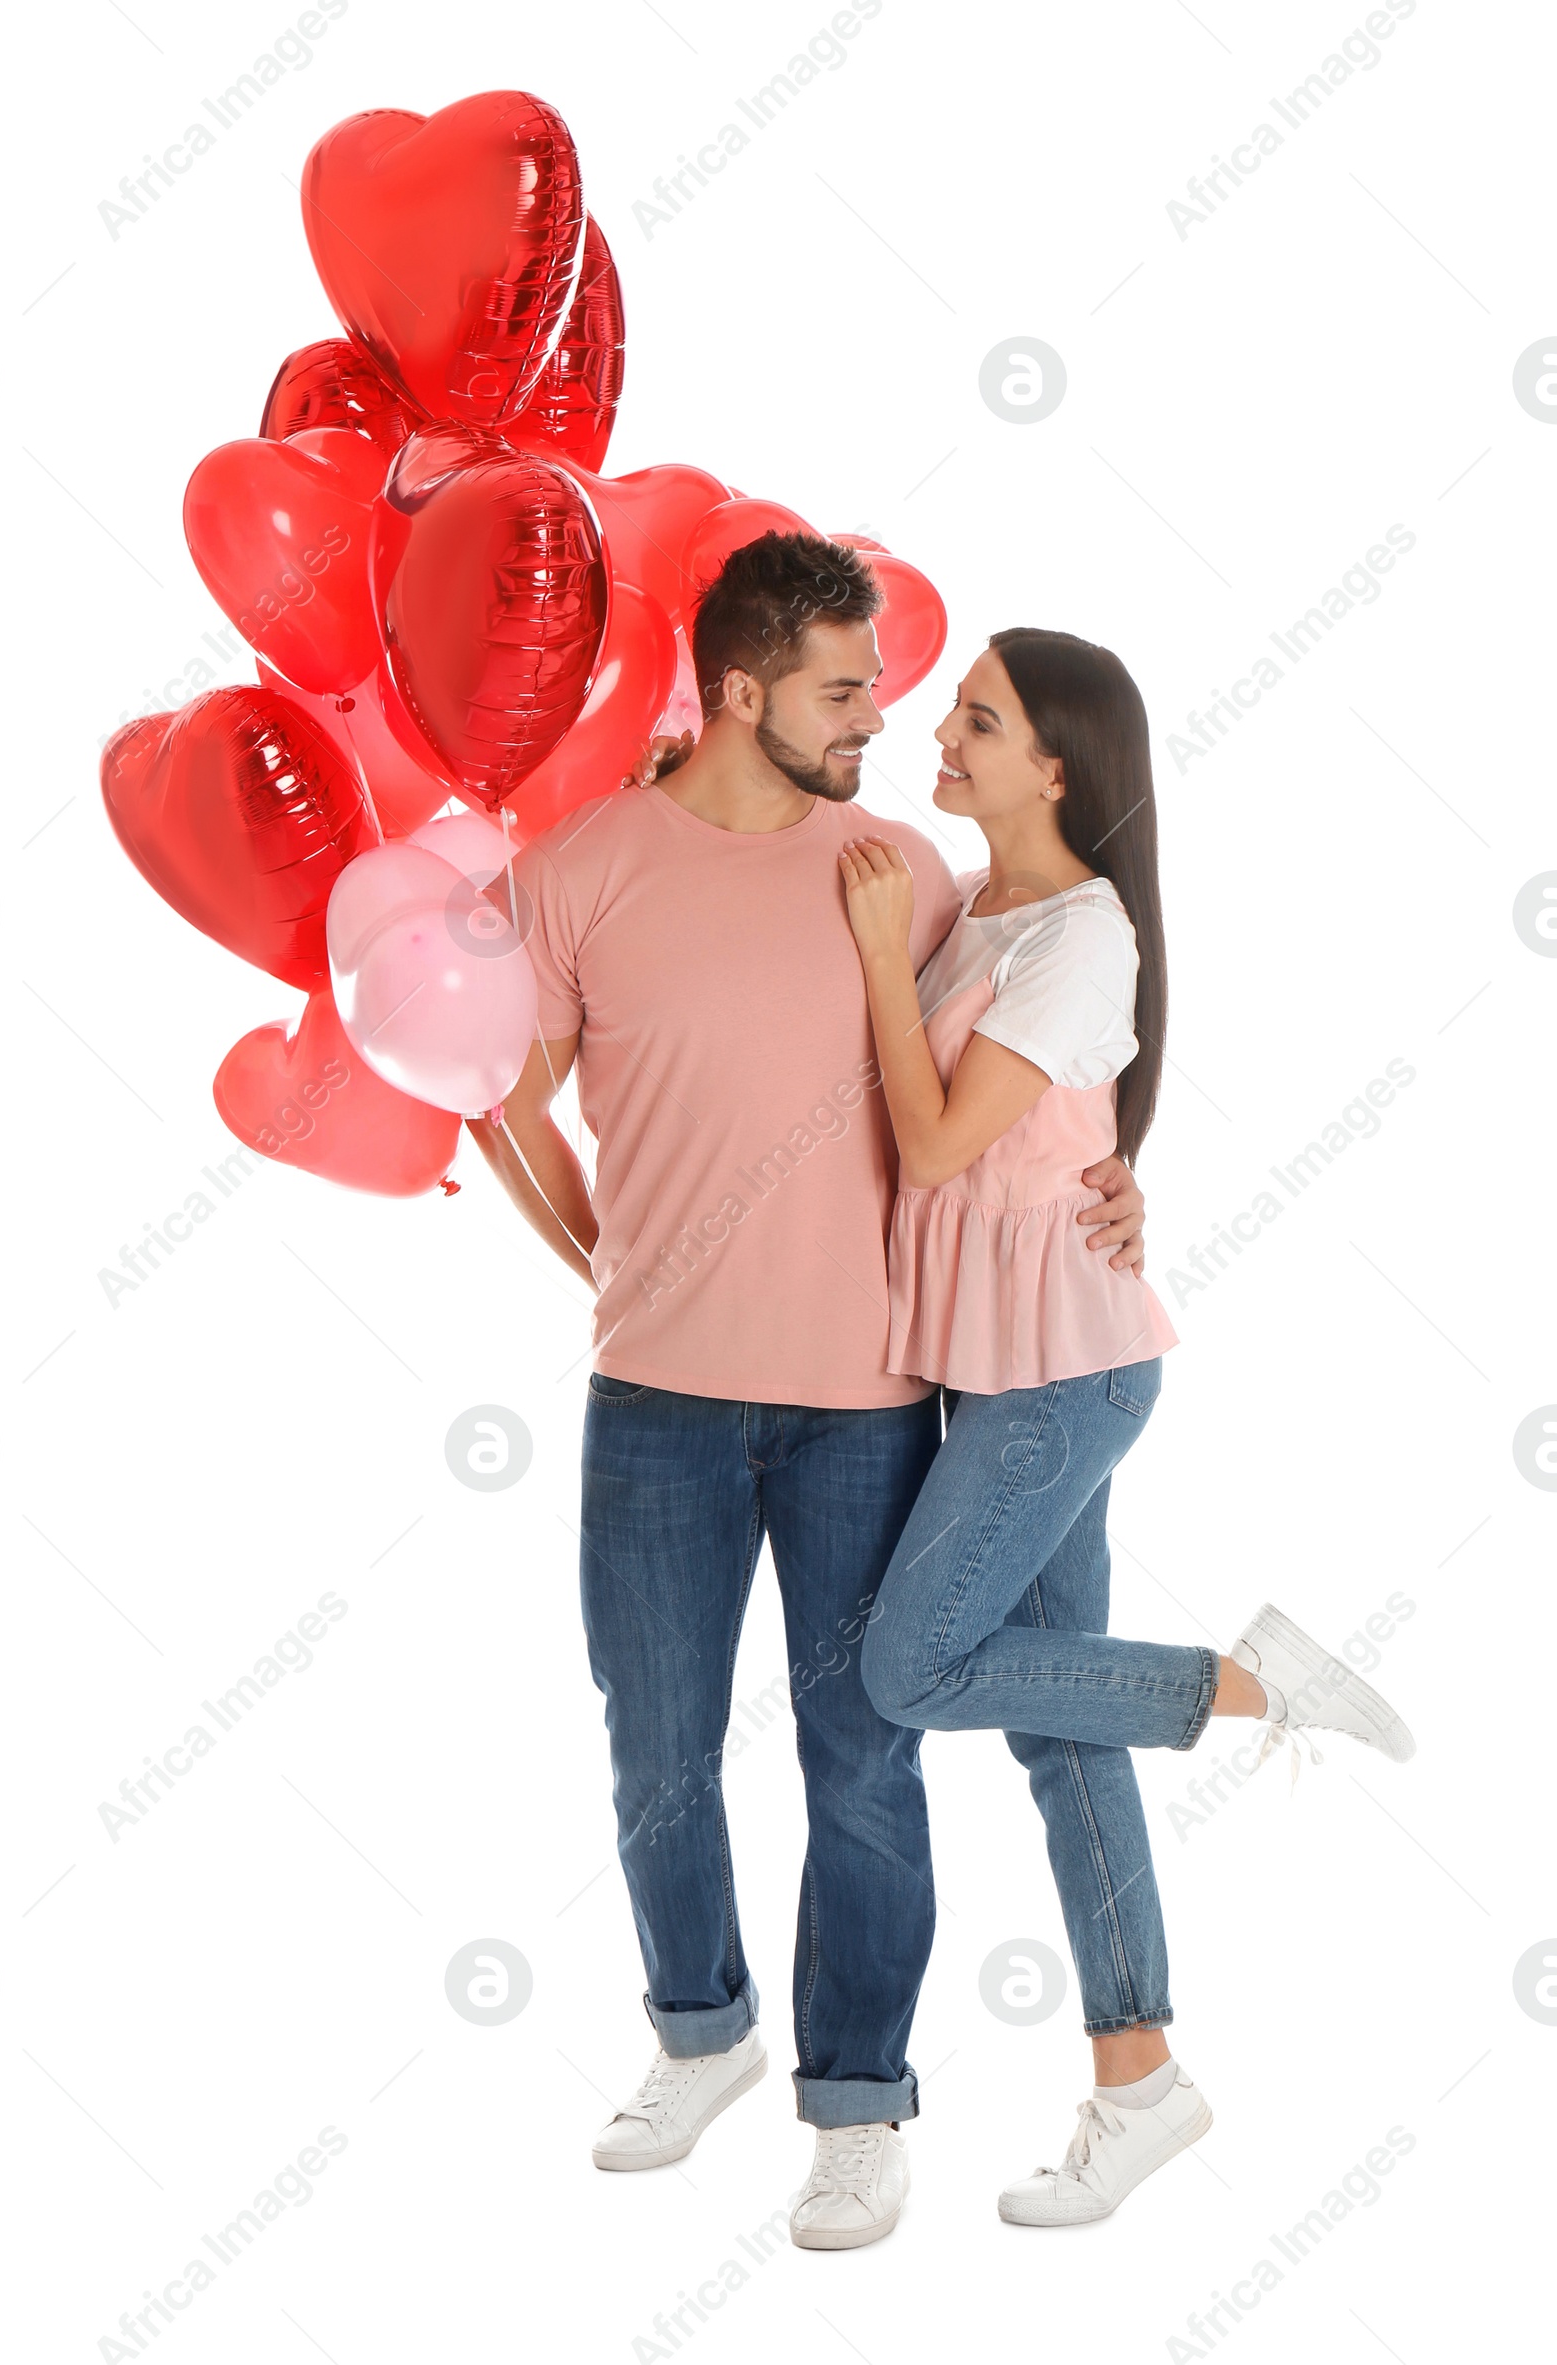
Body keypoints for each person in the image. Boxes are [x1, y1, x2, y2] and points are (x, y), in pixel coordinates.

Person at [469, 536, 1149, 2250]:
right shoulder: (585, 869)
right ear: (742, 691)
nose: (879, 716)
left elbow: (1025, 1060)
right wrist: (598, 1261)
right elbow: (500, 1098)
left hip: (869, 1400)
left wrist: (1123, 1189)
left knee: (862, 1757)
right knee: (659, 1750)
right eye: (846, 690)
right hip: (658, 1405)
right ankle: (697, 2037)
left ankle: (859, 2105)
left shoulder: (902, 868)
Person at [837, 625, 1416, 2229]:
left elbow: (944, 1144)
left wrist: (885, 965)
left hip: (1060, 1379)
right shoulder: (978, 912)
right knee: (1057, 1732)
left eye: (979, 719)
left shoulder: (1076, 936)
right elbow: (1031, 1140)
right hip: (999, 1364)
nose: (940, 734)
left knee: (906, 1666)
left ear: (1058, 767)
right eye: (951, 712)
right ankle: (1142, 2080)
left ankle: (1254, 1685)